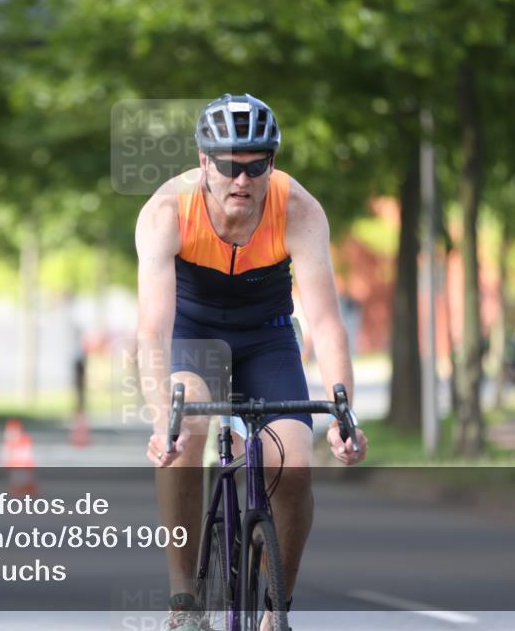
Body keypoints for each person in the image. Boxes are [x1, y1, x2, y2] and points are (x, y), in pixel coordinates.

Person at [134, 94, 369, 630]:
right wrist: (159, 417)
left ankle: (274, 609)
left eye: (257, 165)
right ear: (203, 163)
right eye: (228, 167)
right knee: (187, 423)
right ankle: (184, 600)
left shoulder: (300, 210)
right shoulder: (167, 212)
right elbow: (153, 328)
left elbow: (327, 323)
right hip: (194, 336)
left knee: (294, 459)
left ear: (272, 164)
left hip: (266, 339)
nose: (242, 180)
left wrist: (344, 412)